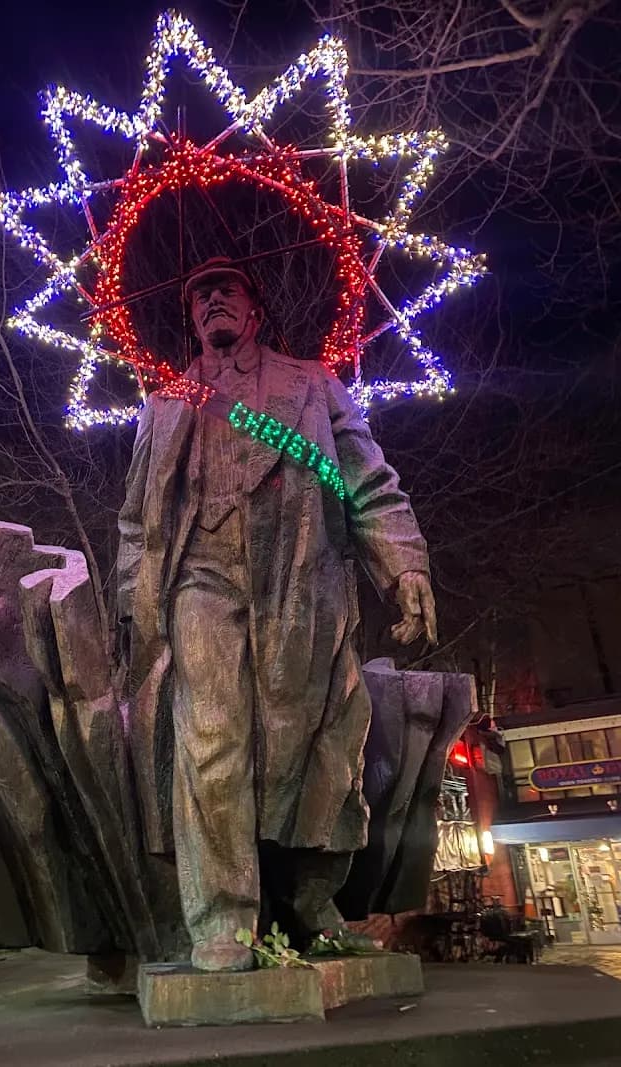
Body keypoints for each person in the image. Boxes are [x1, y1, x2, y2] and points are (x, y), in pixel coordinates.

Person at [117, 256, 436, 971]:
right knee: (212, 739)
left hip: (302, 580)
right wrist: (130, 605)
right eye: (200, 293)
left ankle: (311, 902)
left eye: (226, 289)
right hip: (201, 580)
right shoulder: (165, 403)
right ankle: (222, 919)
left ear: (255, 311)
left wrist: (404, 562)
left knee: (322, 744)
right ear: (191, 317)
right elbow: (136, 521)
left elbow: (366, 480)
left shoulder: (313, 384)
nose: (212, 300)